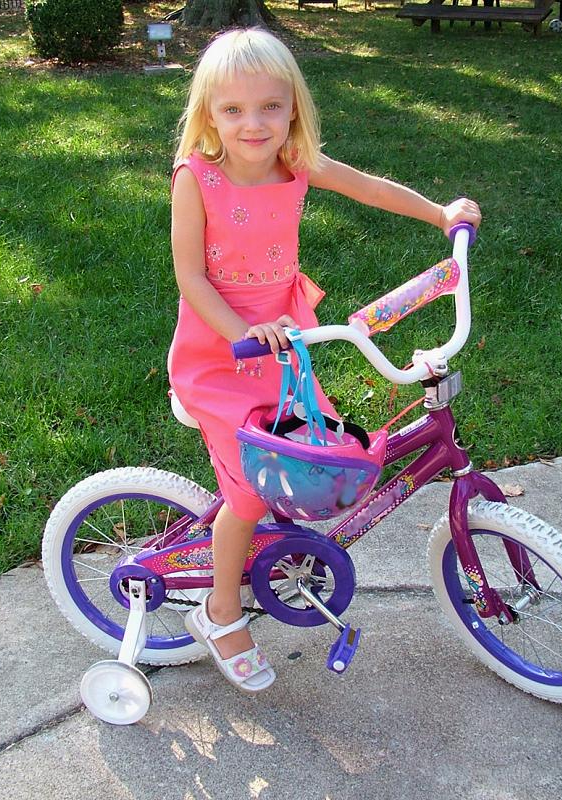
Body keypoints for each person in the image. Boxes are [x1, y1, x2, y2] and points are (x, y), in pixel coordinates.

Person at [168, 27, 481, 694]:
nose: (253, 124)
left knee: (311, 453)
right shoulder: (196, 178)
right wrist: (243, 334)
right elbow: (191, 278)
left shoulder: (294, 160)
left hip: (286, 342)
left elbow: (365, 186)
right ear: (208, 115)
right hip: (221, 352)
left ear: (293, 109)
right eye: (233, 110)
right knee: (249, 492)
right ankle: (219, 612)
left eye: (270, 107)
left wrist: (438, 213)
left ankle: (264, 542)